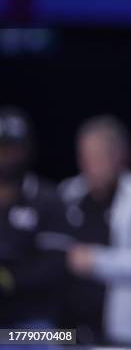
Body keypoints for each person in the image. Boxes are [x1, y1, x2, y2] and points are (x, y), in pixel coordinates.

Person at [59, 115, 131, 346]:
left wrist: (96, 261)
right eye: (85, 156)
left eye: (98, 157)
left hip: (121, 335)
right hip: (66, 331)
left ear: (120, 156)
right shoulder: (67, 194)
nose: (90, 165)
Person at [0, 107, 69, 329]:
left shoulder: (47, 199)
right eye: (1, 148)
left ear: (27, 150)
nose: (6, 157)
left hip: (34, 323)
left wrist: (7, 277)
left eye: (12, 149)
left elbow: (55, 266)